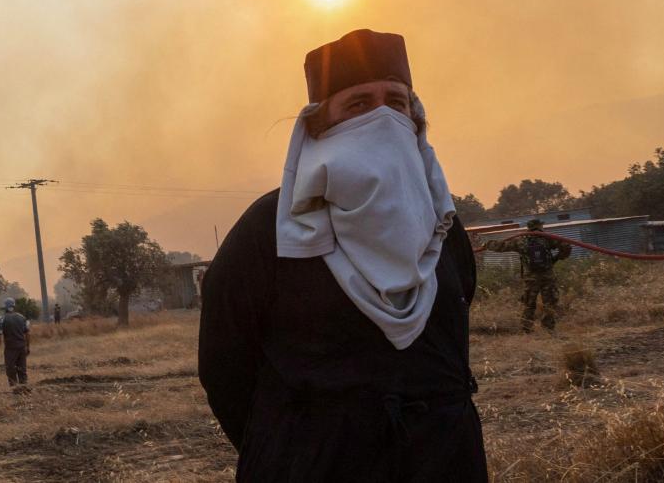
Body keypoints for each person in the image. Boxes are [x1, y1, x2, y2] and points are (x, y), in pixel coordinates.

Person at [199, 29, 487, 482]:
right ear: (320, 127)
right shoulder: (268, 229)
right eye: (357, 105)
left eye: (396, 102)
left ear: (416, 118)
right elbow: (225, 369)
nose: (383, 119)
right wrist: (289, 442)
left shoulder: (442, 227)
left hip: (444, 459)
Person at [482, 219, 572, 332]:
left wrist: (487, 244)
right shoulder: (547, 238)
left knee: (529, 304)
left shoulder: (520, 240)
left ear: (528, 228)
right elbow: (566, 246)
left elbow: (501, 246)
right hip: (547, 277)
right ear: (540, 226)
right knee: (549, 303)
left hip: (531, 279)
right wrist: (557, 258)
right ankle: (548, 328)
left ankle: (526, 328)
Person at [0, 298, 31, 389]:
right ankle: (24, 389)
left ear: (5, 308)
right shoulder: (22, 317)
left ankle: (15, 391)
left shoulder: (2, 319)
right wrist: (27, 346)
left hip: (10, 349)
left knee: (10, 370)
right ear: (13, 306)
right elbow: (27, 333)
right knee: (22, 370)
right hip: (22, 347)